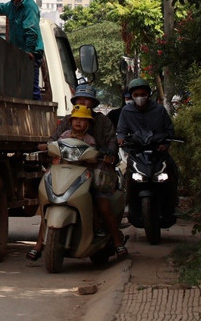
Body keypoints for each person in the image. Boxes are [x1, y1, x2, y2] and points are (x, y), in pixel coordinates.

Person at [27, 87, 127, 261]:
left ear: (93, 104)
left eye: (86, 100)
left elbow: (112, 142)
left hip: (95, 169)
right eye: (79, 100)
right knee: (46, 199)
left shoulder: (102, 122)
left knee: (102, 203)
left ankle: (117, 241)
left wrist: (108, 152)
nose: (82, 102)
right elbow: (53, 141)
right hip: (65, 168)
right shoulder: (66, 122)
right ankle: (38, 243)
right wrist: (46, 146)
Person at [117, 78, 176, 148]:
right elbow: (121, 131)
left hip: (157, 149)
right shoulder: (126, 111)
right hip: (136, 150)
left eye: (143, 94)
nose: (140, 98)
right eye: (136, 95)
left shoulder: (159, 109)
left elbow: (169, 130)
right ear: (132, 96)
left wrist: (165, 144)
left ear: (148, 94)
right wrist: (121, 139)